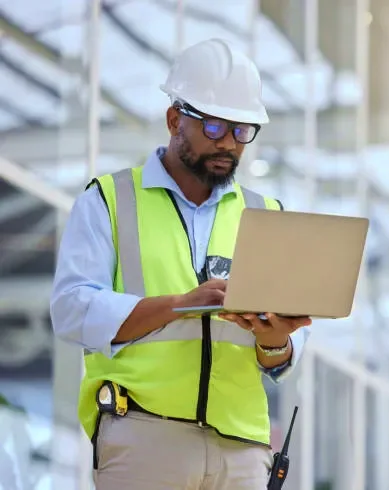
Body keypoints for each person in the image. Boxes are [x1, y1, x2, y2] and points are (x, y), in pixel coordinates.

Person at [50, 38, 311, 490]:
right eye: (214, 126)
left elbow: (283, 354)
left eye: (241, 130)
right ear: (174, 119)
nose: (228, 143)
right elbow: (72, 310)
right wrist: (179, 305)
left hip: (242, 449)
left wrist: (275, 341)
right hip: (144, 435)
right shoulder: (110, 201)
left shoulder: (266, 214)